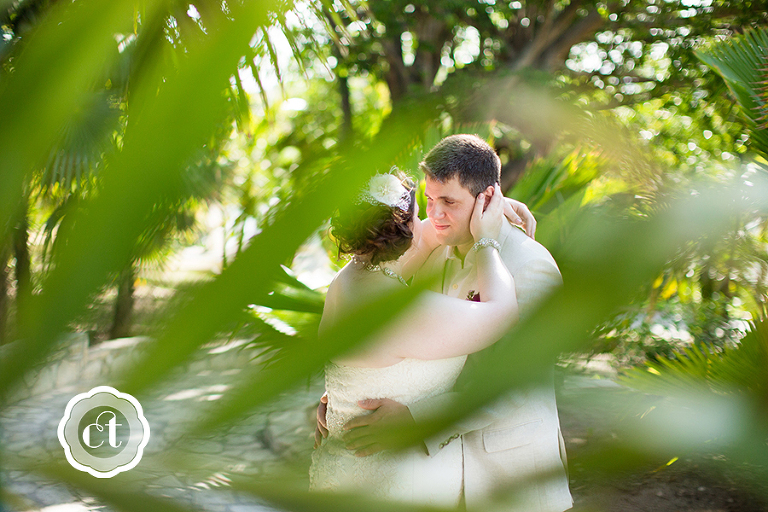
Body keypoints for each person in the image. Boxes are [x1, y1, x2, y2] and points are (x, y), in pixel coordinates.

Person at [322, 135, 573, 512]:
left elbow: (514, 381)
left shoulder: (532, 266)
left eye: (449, 202)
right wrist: (345, 404)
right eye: (429, 200)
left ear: (486, 200)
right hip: (426, 479)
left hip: (506, 477)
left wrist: (413, 418)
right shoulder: (429, 250)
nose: (435, 215)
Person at [309, 170, 525, 506]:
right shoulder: (395, 311)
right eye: (417, 214)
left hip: (343, 474)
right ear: (401, 228)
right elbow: (502, 312)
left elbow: (426, 236)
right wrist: (487, 240)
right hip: (392, 486)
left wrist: (481, 206)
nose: (429, 218)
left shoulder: (349, 280)